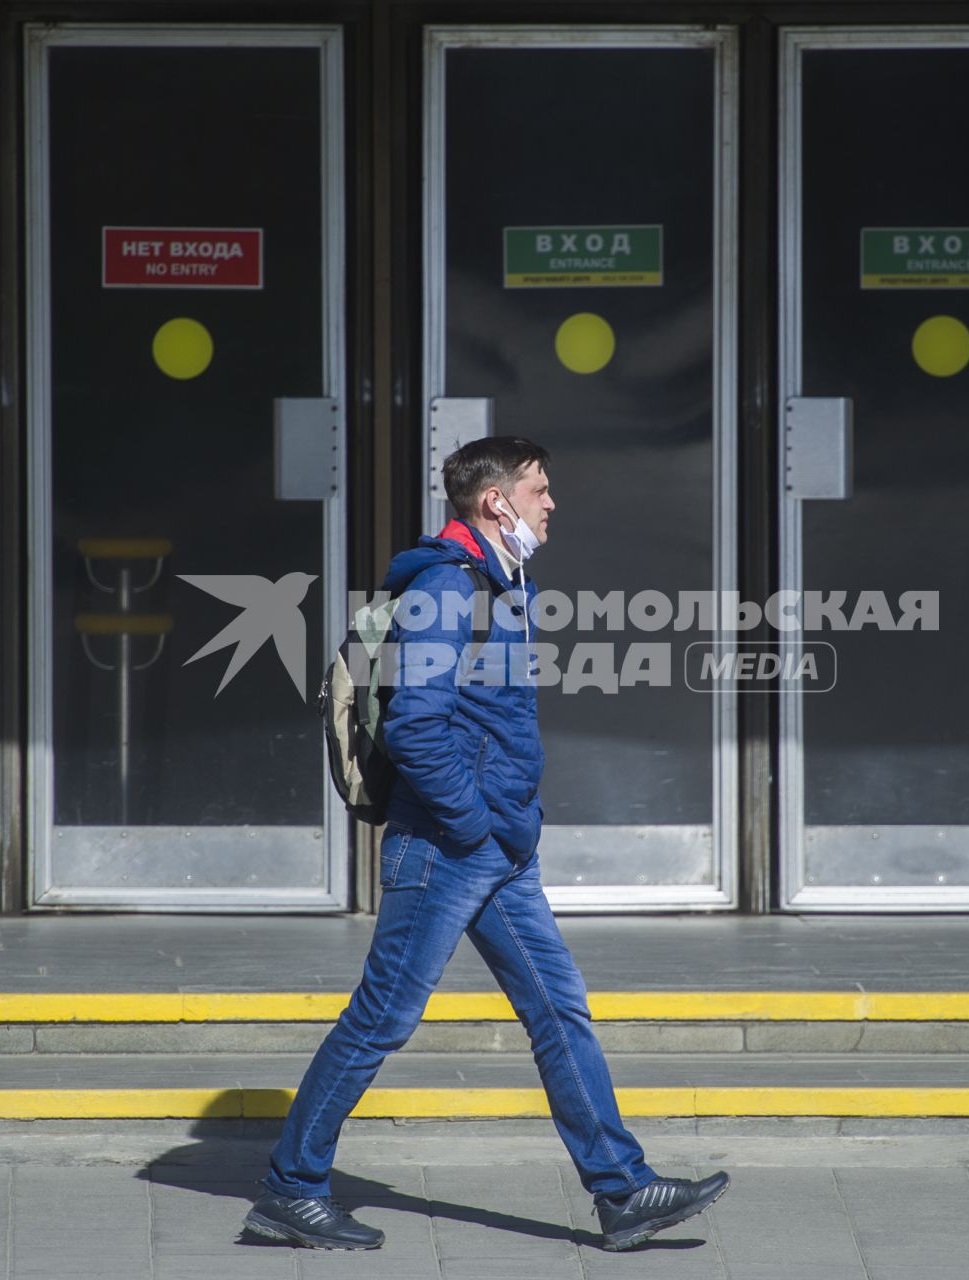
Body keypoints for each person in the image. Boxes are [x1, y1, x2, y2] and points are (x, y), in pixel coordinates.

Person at [242, 436, 729, 1252]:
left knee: (557, 1008)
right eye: (538, 488)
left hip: (495, 848)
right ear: (494, 501)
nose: (550, 501)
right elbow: (415, 726)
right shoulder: (446, 586)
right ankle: (291, 1189)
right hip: (446, 846)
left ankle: (621, 1191)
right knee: (381, 1021)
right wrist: (472, 823)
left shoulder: (504, 583)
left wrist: (501, 829)